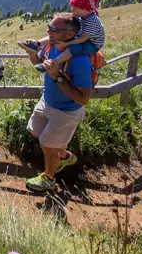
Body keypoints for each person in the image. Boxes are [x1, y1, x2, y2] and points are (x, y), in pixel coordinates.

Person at [23, 13, 94, 192]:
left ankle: (49, 178)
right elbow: (40, 64)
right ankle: (64, 156)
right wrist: (33, 54)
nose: (48, 31)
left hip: (66, 112)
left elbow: (83, 98)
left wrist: (57, 77)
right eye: (49, 26)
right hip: (47, 102)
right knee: (36, 132)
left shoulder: (80, 61)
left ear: (69, 34)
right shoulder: (52, 47)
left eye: (53, 29)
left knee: (47, 144)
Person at [18, 0, 105, 74]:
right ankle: (36, 44)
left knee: (74, 48)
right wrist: (32, 54)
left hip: (91, 43)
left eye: (75, 9)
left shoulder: (92, 22)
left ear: (86, 9)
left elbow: (83, 38)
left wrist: (67, 44)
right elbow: (38, 63)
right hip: (82, 36)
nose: (72, 11)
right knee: (54, 37)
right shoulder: (84, 15)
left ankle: (54, 62)